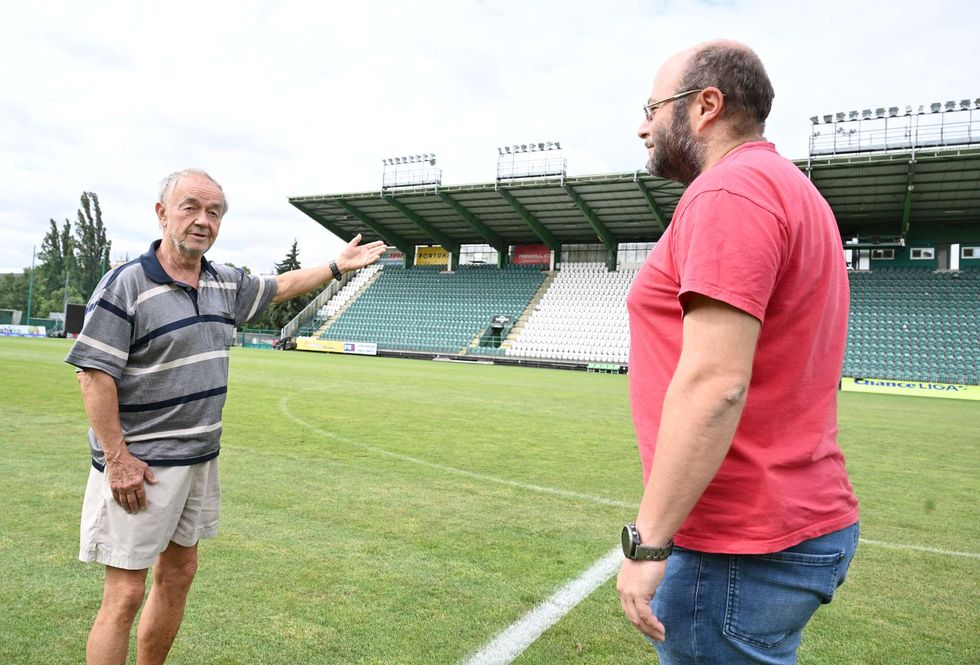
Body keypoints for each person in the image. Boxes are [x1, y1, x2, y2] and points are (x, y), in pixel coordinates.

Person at [66, 168, 385, 665]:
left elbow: (280, 285)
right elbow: (93, 375)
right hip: (142, 467)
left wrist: (336, 267)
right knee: (124, 595)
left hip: (198, 460)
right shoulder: (125, 285)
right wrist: (118, 459)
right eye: (190, 207)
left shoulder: (222, 282)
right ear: (162, 213)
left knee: (179, 574)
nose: (202, 220)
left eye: (214, 212)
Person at [616, 41, 860, 664]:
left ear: (706, 105)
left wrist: (648, 546)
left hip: (740, 540)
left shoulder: (730, 191)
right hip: (788, 519)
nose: (642, 125)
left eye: (652, 107)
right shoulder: (788, 188)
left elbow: (715, 382)